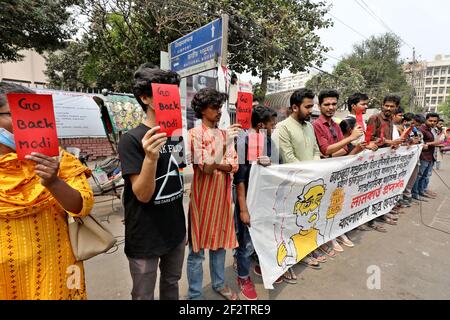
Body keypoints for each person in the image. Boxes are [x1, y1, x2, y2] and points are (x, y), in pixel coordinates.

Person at [0, 82, 94, 299]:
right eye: (16, 115)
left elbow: (83, 206)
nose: (28, 124)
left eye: (33, 115)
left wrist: (53, 182)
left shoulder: (59, 159)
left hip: (56, 268)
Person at [118, 64, 186, 300]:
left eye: (173, 92)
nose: (172, 98)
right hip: (145, 236)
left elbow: (178, 177)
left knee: (172, 283)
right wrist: (150, 157)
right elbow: (143, 194)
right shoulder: (131, 140)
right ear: (145, 98)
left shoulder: (176, 134)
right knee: (143, 294)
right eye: (164, 92)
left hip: (176, 231)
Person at [187, 88, 241, 300]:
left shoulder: (225, 134)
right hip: (202, 202)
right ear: (202, 110)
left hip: (222, 201)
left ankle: (219, 283)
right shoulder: (194, 135)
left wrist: (217, 161)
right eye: (214, 107)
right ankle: (194, 295)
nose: (219, 112)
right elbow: (206, 169)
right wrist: (222, 152)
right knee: (197, 251)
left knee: (219, 246)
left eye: (220, 107)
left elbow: (233, 166)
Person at [272, 88, 321, 282]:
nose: (311, 110)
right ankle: (283, 264)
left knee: (303, 224)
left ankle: (301, 255)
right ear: (294, 107)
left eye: (312, 106)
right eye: (308, 107)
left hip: (310, 184)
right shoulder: (282, 128)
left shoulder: (309, 126)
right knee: (285, 227)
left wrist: (316, 172)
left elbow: (316, 150)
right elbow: (288, 158)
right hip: (290, 186)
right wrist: (311, 174)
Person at [313, 90, 365, 257]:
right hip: (324, 173)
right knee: (325, 206)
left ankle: (335, 232)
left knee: (337, 203)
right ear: (319, 105)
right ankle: (326, 237)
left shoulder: (336, 124)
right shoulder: (316, 125)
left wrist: (333, 152)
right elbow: (325, 149)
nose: (331, 107)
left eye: (334, 104)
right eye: (327, 104)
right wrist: (348, 141)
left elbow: (340, 149)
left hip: (338, 171)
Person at [233, 105, 277, 300]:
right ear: (261, 125)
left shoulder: (268, 142)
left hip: (264, 198)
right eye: (271, 124)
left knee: (262, 236)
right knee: (245, 241)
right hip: (248, 199)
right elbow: (240, 179)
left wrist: (270, 164)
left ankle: (260, 264)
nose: (274, 127)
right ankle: (243, 276)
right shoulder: (243, 142)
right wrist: (243, 209)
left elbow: (278, 166)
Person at [412, 113, 441, 201]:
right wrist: (433, 143)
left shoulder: (433, 129)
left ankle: (423, 190)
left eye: (435, 121)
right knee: (419, 175)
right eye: (430, 120)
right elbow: (420, 143)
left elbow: (437, 141)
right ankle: (415, 193)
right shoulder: (421, 129)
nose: (432, 122)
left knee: (426, 175)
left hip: (431, 156)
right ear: (426, 120)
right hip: (423, 156)